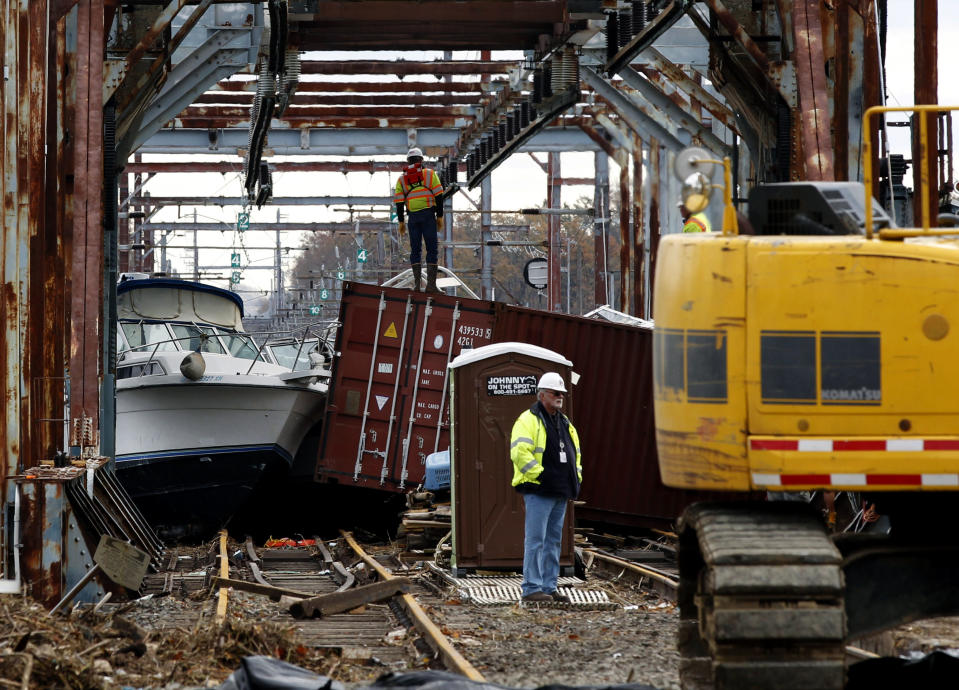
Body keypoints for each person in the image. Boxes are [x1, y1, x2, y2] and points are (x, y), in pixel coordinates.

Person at [509, 372, 582, 603]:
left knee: (553, 542)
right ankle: (531, 589)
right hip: (539, 491)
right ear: (542, 395)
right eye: (555, 393)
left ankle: (549, 587)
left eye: (562, 393)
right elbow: (519, 453)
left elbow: (575, 455)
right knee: (536, 540)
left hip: (560, 491)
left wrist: (575, 479)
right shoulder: (527, 420)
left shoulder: (564, 423)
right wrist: (540, 477)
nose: (560, 396)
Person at [393, 147, 445, 292]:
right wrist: (440, 216)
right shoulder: (429, 174)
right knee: (432, 249)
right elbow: (439, 196)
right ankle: (431, 285)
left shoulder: (402, 180)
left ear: (408, 161)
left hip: (413, 218)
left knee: (415, 250)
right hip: (428, 216)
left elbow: (399, 202)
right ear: (421, 160)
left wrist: (401, 221)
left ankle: (417, 285)